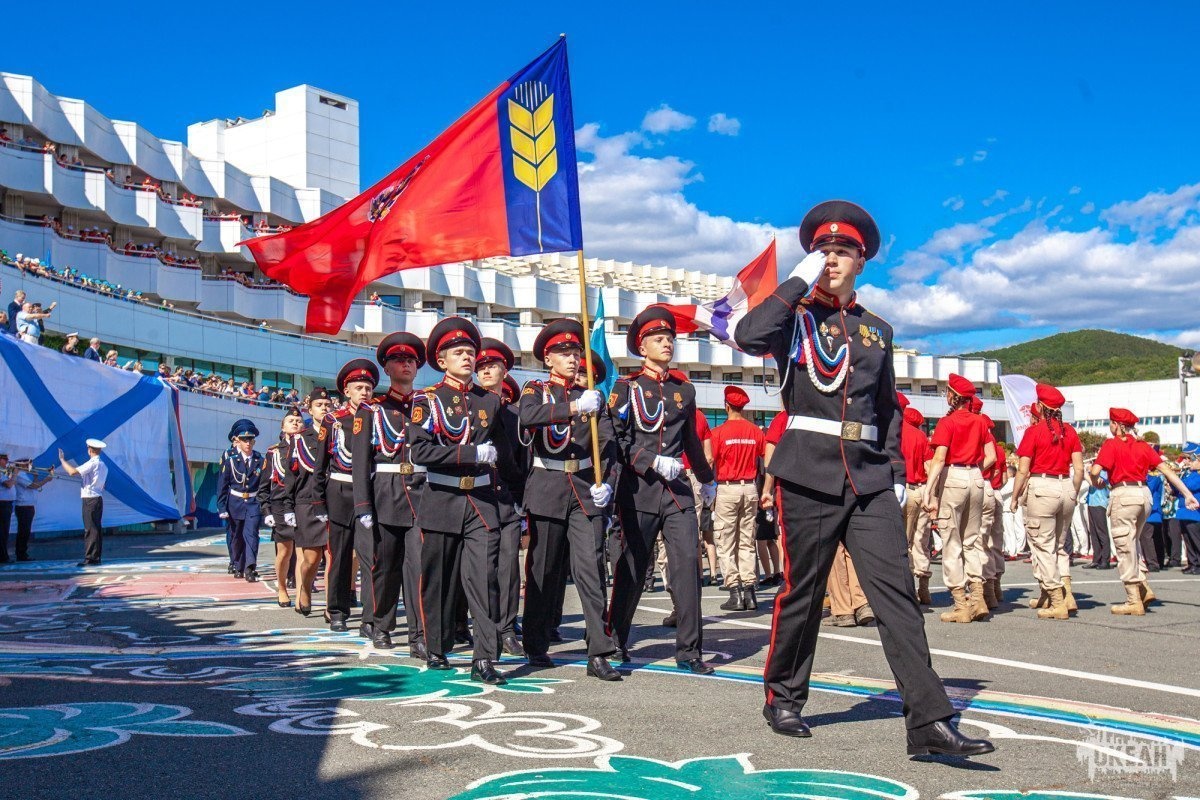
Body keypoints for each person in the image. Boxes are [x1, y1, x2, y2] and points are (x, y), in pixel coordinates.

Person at [736, 200, 992, 755]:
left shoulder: (877, 330)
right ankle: (783, 696)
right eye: (822, 250)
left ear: (862, 262)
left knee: (896, 594)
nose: (831, 258)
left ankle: (928, 722)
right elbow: (749, 334)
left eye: (842, 251)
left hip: (869, 475)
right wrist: (795, 282)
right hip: (808, 471)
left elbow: (887, 408)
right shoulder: (793, 318)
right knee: (803, 591)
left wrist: (897, 472)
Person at [408, 317, 522, 685]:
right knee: (438, 580)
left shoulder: (490, 400)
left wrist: (517, 494)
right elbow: (420, 451)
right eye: (458, 352)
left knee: (484, 579)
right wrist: (470, 452)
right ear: (441, 360)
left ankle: (484, 657)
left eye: (471, 352)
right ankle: (437, 646)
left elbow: (508, 453)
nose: (467, 357)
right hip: (442, 498)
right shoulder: (427, 399)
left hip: (481, 501)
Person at [607, 307, 717, 675]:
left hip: (676, 492)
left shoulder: (684, 389)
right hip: (638, 489)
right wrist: (650, 461)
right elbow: (616, 441)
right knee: (633, 569)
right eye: (658, 339)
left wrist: (707, 477)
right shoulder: (626, 388)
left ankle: (689, 650)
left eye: (669, 338)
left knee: (687, 567)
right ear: (642, 347)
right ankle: (615, 639)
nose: (667, 343)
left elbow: (691, 440)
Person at [518, 319, 622, 681]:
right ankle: (535, 642)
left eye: (576, 352)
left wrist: (606, 485)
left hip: (584, 488)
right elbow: (527, 417)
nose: (573, 359)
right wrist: (574, 408)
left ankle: (599, 651)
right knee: (544, 569)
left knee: (591, 569)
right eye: (564, 353)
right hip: (548, 485)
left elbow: (608, 447)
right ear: (548, 359)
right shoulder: (537, 389)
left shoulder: (591, 397)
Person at [351, 332, 428, 654]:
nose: (406, 365)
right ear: (387, 368)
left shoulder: (428, 405)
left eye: (411, 360)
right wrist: (363, 505)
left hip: (422, 495)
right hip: (386, 495)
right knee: (385, 567)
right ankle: (381, 624)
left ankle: (419, 636)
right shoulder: (372, 409)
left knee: (419, 568)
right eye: (398, 360)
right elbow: (360, 461)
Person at [1090, 408, 1198, 614]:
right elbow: (1166, 470)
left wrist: (1095, 480)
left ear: (1118, 425)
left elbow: (1095, 471)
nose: (1110, 426)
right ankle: (1143, 587)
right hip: (1144, 494)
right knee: (1133, 543)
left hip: (1124, 494)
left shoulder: (1111, 444)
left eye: (1111, 423)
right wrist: (1187, 494)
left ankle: (1133, 600)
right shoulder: (1142, 446)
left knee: (1124, 546)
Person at [923, 374, 996, 623]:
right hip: (975, 476)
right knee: (971, 541)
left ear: (953, 396)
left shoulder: (947, 422)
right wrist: (974, 469)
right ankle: (978, 598)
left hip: (953, 476)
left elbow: (939, 458)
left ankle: (961, 605)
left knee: (952, 542)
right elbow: (991, 456)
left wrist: (929, 490)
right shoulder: (980, 421)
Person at [1009, 383, 1085, 620]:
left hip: (1042, 486)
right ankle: (1066, 594)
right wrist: (1073, 492)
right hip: (1066, 485)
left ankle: (1057, 600)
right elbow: (1079, 469)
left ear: (1040, 407)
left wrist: (1014, 497)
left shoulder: (1034, 432)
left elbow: (1023, 470)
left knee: (1043, 546)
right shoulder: (1070, 431)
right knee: (1059, 546)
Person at [316, 359, 379, 633]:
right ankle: (337, 611)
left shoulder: (378, 418)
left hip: (370, 492)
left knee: (370, 556)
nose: (364, 392)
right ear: (347, 391)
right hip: (340, 493)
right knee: (340, 556)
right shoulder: (333, 421)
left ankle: (371, 616)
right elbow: (320, 465)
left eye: (368, 388)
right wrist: (319, 502)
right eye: (358, 388)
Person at [474, 337, 527, 657]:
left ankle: (506, 628)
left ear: (504, 371)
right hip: (476, 497)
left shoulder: (514, 416)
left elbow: (522, 460)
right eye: (480, 366)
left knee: (508, 567)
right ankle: (483, 625)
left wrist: (521, 500)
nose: (486, 371)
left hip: (506, 498)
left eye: (492, 366)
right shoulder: (467, 406)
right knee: (482, 568)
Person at [709, 385, 766, 612]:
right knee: (746, 541)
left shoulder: (718, 433)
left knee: (725, 541)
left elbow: (710, 460)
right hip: (750, 487)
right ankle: (750, 592)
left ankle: (735, 592)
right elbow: (765, 459)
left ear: (726, 406)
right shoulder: (755, 432)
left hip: (728, 488)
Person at [288, 387, 335, 616]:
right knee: (311, 558)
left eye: (327, 405)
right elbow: (291, 476)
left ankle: (330, 606)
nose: (324, 409)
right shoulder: (300, 439)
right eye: (319, 405)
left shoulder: (338, 433)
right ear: (310, 409)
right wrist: (287, 507)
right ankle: (305, 587)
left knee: (333, 556)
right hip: (307, 502)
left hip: (334, 500)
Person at [260, 408, 305, 606]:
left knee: (304, 552)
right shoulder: (274, 452)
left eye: (299, 420)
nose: (295, 423)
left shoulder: (310, 448)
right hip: (280, 505)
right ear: (283, 426)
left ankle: (302, 592)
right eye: (291, 420)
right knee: (285, 552)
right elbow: (263, 486)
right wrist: (266, 510)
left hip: (303, 502)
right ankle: (282, 588)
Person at [216, 419, 265, 581]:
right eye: (244, 440)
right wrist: (222, 507)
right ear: (238, 440)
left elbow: (264, 485)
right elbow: (222, 485)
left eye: (250, 439)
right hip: (235, 503)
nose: (248, 443)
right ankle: (237, 563)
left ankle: (250, 568)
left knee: (252, 535)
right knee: (236, 537)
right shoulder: (231, 459)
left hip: (253, 503)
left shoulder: (260, 460)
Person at [898, 393, 934, 606]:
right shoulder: (920, 436)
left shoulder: (892, 432)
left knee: (903, 542)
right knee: (922, 540)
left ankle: (908, 588)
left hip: (901, 489)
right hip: (920, 490)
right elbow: (929, 466)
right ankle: (924, 586)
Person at [58, 439, 108, 566]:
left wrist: (62, 460)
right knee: (96, 528)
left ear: (90, 450)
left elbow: (72, 472)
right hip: (98, 498)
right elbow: (103, 484)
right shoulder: (103, 465)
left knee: (90, 529)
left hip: (90, 498)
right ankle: (96, 556)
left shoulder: (92, 463)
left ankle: (90, 558)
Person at [12, 461, 53, 562]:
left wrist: (35, 477)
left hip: (28, 505)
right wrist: (47, 479)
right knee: (23, 531)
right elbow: (33, 486)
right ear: (20, 464)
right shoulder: (20, 474)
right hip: (23, 506)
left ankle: (23, 553)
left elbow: (32, 487)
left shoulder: (24, 474)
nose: (29, 466)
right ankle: (21, 554)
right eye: (26, 463)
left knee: (26, 531)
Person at [1173, 442, 1200, 575]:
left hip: (1194, 513)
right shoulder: (1187, 474)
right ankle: (1192, 563)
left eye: (1190, 459)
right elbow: (1176, 490)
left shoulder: (1197, 475)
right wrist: (1172, 479)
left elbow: (1190, 486)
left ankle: (1198, 564)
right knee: (1188, 540)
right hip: (1184, 512)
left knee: (1196, 540)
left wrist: (1179, 481)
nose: (1187, 461)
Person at [1083, 467, 1112, 570]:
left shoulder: (1104, 472)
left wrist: (1085, 473)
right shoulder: (1094, 472)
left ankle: (1105, 560)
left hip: (1100, 503)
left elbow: (1095, 483)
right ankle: (1096, 559)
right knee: (1094, 533)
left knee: (1102, 532)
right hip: (1091, 502)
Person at [0, 454, 14, 562]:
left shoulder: (4, 471)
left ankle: (4, 555)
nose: (7, 461)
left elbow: (9, 479)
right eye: (5, 459)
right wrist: (15, 473)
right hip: (2, 504)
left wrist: (11, 471)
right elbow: (9, 485)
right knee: (2, 531)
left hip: (7, 503)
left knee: (5, 531)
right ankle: (3, 556)